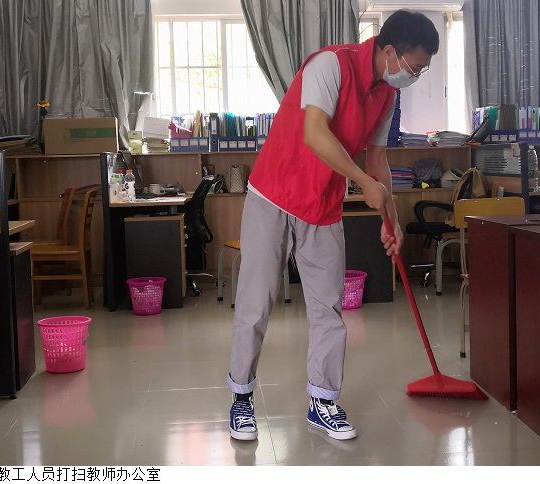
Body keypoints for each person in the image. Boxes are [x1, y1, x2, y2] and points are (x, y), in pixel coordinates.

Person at [227, 9, 439, 442]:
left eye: (422, 70)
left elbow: (377, 158)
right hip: (274, 194)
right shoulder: (331, 65)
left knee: (328, 308)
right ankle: (241, 398)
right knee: (256, 302)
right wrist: (364, 183)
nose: (415, 76)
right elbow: (314, 133)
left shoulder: (387, 95)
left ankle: (322, 402)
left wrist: (391, 217)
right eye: (415, 67)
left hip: (323, 204)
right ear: (390, 51)